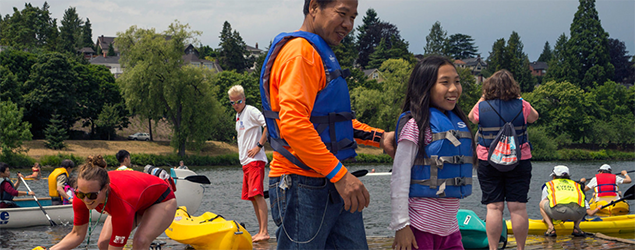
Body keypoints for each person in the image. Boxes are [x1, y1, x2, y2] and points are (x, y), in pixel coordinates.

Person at [259, 0, 395, 248]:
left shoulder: (316, 52)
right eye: (342, 14)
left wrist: (379, 138)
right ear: (313, 7)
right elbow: (294, 125)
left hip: (329, 178)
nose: (348, 24)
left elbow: (331, 123)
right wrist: (340, 176)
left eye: (353, 17)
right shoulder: (300, 52)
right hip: (302, 183)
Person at [390, 56, 474, 250]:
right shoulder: (415, 126)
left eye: (457, 82)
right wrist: (401, 225)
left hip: (450, 229)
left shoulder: (457, 123)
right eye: (445, 82)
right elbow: (399, 178)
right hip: (419, 229)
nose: (453, 89)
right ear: (425, 86)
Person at [468, 69, 539, 250]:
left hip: (488, 160)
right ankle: (521, 248)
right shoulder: (522, 105)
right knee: (518, 208)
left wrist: (483, 97)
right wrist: (520, 99)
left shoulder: (482, 106)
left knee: (494, 207)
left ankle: (493, 248)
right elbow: (534, 117)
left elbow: (471, 118)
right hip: (519, 160)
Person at [50, 155, 177, 250]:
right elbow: (76, 235)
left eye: (92, 195)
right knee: (103, 244)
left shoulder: (121, 204)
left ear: (105, 188)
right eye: (81, 194)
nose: (86, 200)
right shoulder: (81, 198)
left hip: (160, 200)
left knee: (140, 241)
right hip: (135, 201)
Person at [228, 84, 270, 242]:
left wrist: (259, 146)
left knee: (258, 195)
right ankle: (260, 231)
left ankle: (264, 231)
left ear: (244, 99)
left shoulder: (251, 111)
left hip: (255, 161)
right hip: (246, 163)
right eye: (232, 102)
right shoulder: (238, 116)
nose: (235, 105)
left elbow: (267, 125)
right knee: (252, 197)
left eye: (238, 101)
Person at [540, 165, 599, 237]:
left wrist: (545, 219)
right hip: (578, 214)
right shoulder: (577, 185)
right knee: (581, 203)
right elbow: (583, 201)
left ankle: (551, 228)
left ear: (554, 177)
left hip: (558, 212)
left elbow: (546, 202)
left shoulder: (549, 185)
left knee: (542, 203)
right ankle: (576, 227)